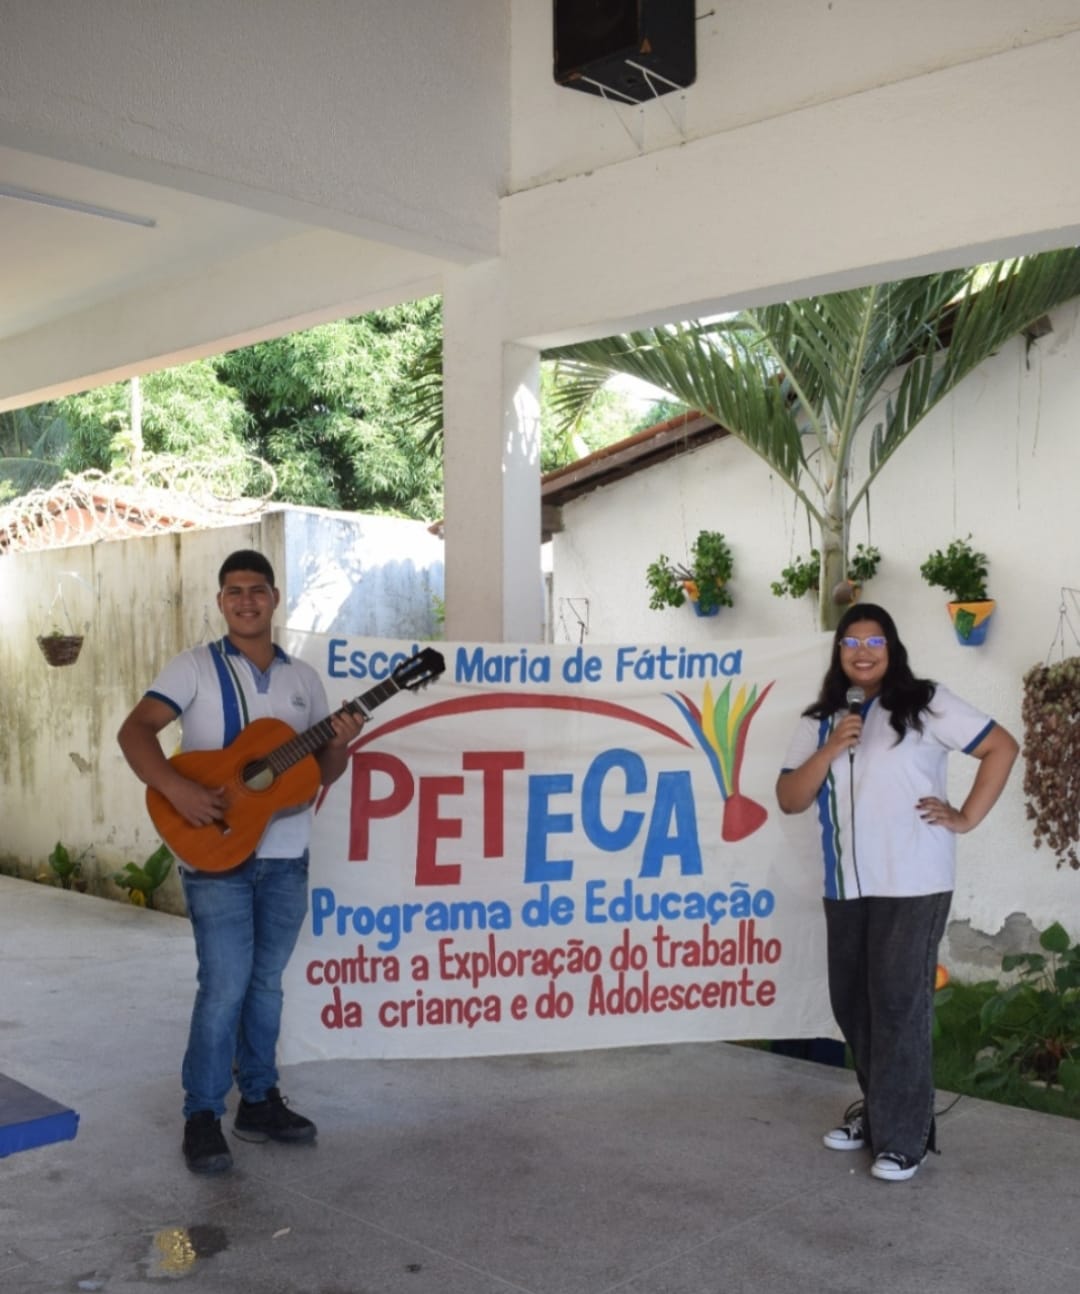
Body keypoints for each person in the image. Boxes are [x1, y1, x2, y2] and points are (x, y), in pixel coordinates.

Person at [117, 549, 364, 1174]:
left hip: (287, 857)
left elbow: (316, 774)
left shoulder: (304, 680)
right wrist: (178, 790)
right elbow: (135, 731)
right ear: (221, 601)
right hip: (216, 853)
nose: (246, 600)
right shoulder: (194, 667)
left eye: (257, 589)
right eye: (233, 591)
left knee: (265, 985)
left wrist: (340, 745)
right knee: (224, 986)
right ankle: (201, 1113)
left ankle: (257, 1099)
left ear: (275, 598)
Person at [775, 603, 1018, 1183]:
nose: (863, 651)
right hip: (846, 885)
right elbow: (789, 797)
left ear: (892, 648)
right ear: (838, 653)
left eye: (875, 641)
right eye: (851, 642)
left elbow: (1001, 747)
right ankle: (882, 1114)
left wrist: (965, 816)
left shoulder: (926, 702)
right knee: (853, 1004)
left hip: (913, 882)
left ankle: (904, 1137)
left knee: (897, 1006)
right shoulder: (820, 721)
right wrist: (832, 747)